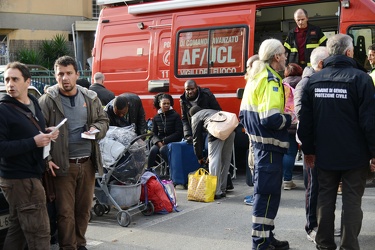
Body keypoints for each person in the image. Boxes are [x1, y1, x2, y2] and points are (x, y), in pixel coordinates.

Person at [297, 34, 375, 250]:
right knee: (351, 201)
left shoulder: (313, 81)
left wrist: (309, 151)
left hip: (324, 154)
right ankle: (349, 246)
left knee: (325, 198)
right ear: (349, 53)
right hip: (355, 155)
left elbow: (306, 122)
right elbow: (369, 122)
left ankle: (324, 244)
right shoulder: (361, 79)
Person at [38, 55, 109, 250]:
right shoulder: (47, 101)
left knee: (84, 210)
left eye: (69, 73)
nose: (65, 78)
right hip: (62, 165)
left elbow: (104, 121)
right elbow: (37, 131)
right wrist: (48, 159)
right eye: (60, 74)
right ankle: (68, 246)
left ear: (77, 74)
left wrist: (96, 129)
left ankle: (80, 242)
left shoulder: (90, 97)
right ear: (55, 75)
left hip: (87, 163)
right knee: (65, 212)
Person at [239, 38, 292, 250]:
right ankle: (261, 243)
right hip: (269, 148)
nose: (287, 57)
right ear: (277, 56)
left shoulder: (256, 76)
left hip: (260, 147)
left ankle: (266, 237)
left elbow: (244, 115)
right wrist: (289, 118)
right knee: (267, 196)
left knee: (266, 195)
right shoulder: (271, 79)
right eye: (284, 54)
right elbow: (270, 119)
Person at [0, 62, 58, 250]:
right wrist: (34, 141)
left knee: (17, 230)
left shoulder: (33, 103)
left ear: (27, 81)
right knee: (39, 233)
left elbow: (33, 130)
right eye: (7, 79)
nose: (10, 84)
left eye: (15, 79)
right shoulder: (3, 110)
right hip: (19, 179)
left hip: (33, 174)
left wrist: (46, 132)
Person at [293, 46, 329, 244]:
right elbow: (302, 117)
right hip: (312, 144)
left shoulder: (314, 80)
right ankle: (311, 226)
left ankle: (322, 224)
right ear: (321, 64)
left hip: (320, 142)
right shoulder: (306, 83)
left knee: (322, 186)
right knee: (313, 187)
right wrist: (308, 149)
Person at [189, 106, 235, 200]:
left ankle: (216, 191)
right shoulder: (211, 110)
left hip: (217, 130)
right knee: (225, 160)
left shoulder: (195, 117)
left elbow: (196, 139)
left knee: (214, 159)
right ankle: (223, 189)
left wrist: (199, 156)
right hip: (230, 129)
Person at [148, 93, 183, 171]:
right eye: (164, 103)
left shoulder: (176, 116)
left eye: (168, 103)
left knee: (163, 150)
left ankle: (173, 170)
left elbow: (178, 132)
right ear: (160, 104)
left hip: (172, 140)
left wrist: (165, 141)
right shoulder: (156, 118)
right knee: (153, 150)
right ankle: (148, 171)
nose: (166, 105)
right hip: (160, 141)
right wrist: (158, 142)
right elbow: (153, 133)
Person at [282, 63, 303, 190]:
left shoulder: (281, 84)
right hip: (299, 122)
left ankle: (287, 180)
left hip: (286, 121)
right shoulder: (303, 83)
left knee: (289, 152)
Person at [243, 54, 259, 206]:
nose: (246, 70)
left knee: (255, 163)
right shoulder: (252, 82)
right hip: (251, 130)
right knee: (252, 163)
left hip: (255, 132)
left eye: (249, 66)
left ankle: (257, 196)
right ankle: (256, 194)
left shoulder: (257, 83)